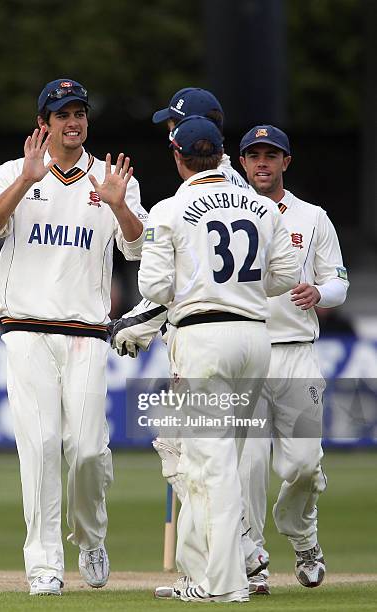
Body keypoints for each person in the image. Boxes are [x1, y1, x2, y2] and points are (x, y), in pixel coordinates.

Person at [0, 78, 147, 596]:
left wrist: (118, 205)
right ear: (43, 123)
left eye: (80, 114)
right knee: (43, 447)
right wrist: (26, 181)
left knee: (89, 450)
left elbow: (138, 250)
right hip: (25, 330)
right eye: (63, 115)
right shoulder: (13, 171)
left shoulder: (112, 177)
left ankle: (91, 538)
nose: (73, 123)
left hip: (87, 334)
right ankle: (44, 565)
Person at [138, 115, 299, 602]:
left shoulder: (168, 209)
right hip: (253, 338)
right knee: (220, 460)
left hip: (203, 339)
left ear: (178, 156)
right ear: (224, 154)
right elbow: (286, 275)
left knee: (212, 467)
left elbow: (153, 287)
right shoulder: (261, 206)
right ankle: (199, 574)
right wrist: (241, 290)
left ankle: (223, 584)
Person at [238, 125, 349, 593]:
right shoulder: (227, 211)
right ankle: (253, 560)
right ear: (242, 162)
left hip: (296, 353)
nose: (262, 162)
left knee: (304, 464)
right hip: (242, 349)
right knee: (245, 469)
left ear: (286, 161)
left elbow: (339, 281)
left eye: (271, 155)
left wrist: (320, 290)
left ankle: (302, 534)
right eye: (254, 155)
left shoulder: (312, 217)